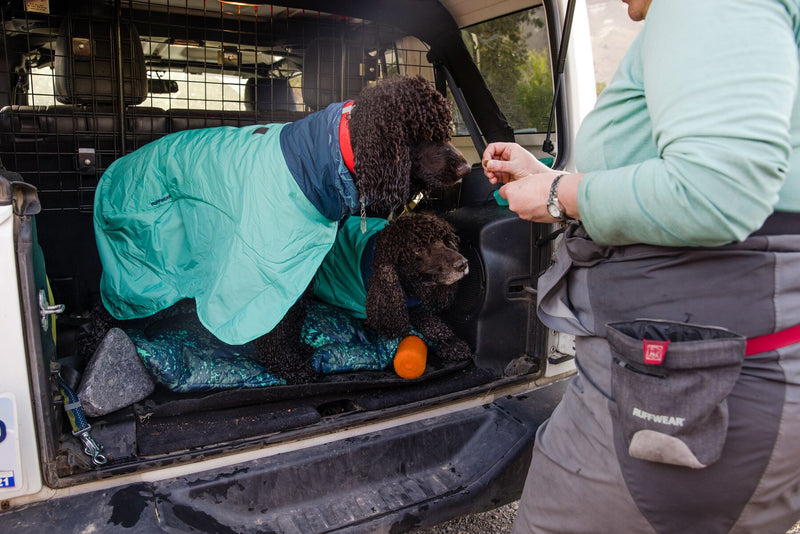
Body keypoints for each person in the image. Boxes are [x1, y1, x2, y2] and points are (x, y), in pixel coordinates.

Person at [483, 0, 800, 532]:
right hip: (708, 365)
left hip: (683, 379)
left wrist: (560, 194)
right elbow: (684, 176)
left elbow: (716, 190)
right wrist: (546, 176)